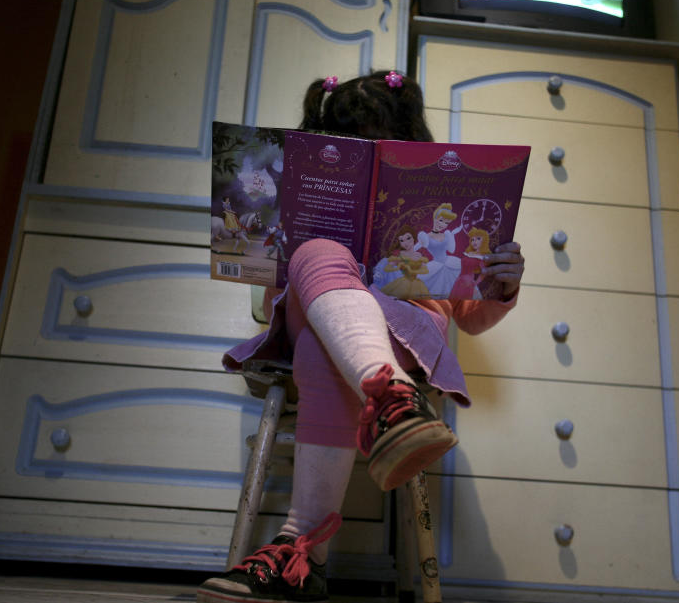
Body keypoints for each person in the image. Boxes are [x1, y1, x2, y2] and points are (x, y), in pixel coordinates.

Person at [197, 70, 525, 603]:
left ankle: (300, 554)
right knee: (314, 254)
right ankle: (394, 403)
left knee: (318, 349)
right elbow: (266, 302)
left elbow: (471, 316)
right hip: (323, 310)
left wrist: (501, 286)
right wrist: (269, 244)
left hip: (407, 325)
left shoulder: (450, 218)